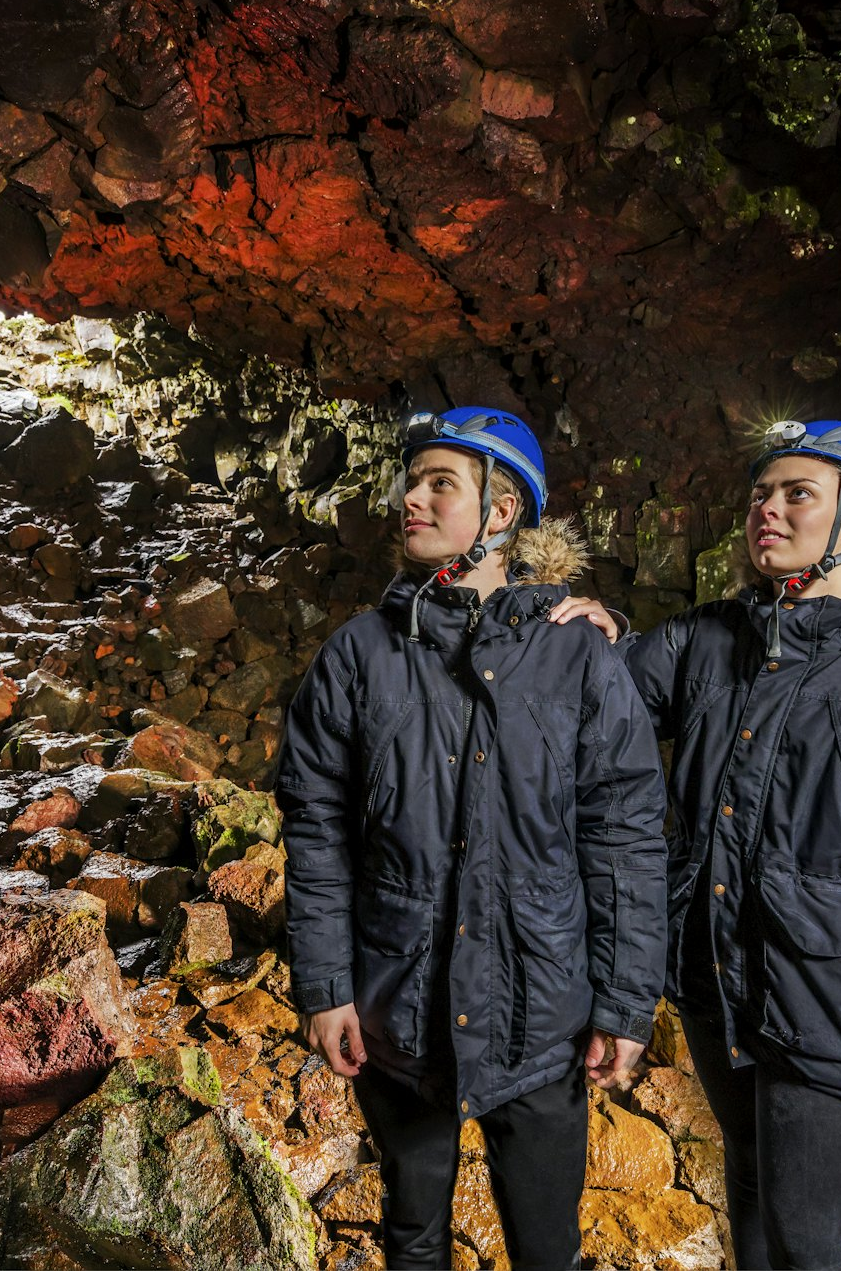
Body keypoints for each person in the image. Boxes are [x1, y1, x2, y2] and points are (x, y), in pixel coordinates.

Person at [551, 419, 841, 1271]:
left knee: (810, 1244)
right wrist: (601, 626)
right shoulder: (711, 638)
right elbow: (590, 703)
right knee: (753, 1198)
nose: (766, 510)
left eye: (796, 494)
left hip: (829, 1009)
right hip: (715, 985)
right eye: (761, 494)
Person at [275, 406, 668, 1271]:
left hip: (542, 1016)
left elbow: (626, 840)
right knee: (412, 1234)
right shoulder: (358, 656)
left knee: (545, 1247)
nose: (411, 498)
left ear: (499, 514)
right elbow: (318, 832)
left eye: (438, 483)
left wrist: (625, 1003)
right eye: (412, 480)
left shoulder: (579, 659)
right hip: (399, 1015)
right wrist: (326, 986)